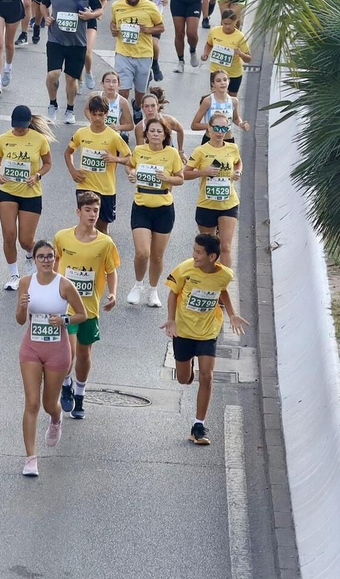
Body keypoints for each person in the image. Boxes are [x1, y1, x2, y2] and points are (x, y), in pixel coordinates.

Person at [164, 234, 248, 445]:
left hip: (208, 332)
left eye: (199, 252)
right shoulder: (185, 269)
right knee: (184, 379)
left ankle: (198, 425)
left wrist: (232, 314)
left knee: (207, 376)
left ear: (212, 257)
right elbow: (173, 293)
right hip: (183, 331)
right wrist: (171, 321)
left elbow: (222, 290)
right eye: (194, 250)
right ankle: (189, 368)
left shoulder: (225, 274)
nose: (194, 255)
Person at [15, 239, 88, 476]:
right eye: (41, 256)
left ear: (55, 259)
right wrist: (21, 306)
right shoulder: (26, 283)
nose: (45, 260)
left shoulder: (64, 285)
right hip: (31, 348)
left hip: (58, 349)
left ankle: (56, 419)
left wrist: (64, 320)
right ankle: (30, 459)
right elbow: (19, 320)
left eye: (49, 256)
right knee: (32, 402)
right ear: (34, 260)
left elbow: (82, 315)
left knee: (48, 404)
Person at [53, 191, 120, 420]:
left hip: (89, 308)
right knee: (68, 353)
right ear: (78, 212)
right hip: (66, 307)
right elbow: (55, 263)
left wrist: (112, 293)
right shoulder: (62, 237)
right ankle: (65, 383)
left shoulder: (105, 243)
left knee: (84, 353)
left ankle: (79, 393)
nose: (92, 215)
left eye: (96, 210)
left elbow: (111, 271)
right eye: (88, 210)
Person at [0, 104, 54, 290]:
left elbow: (48, 163)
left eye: (22, 125)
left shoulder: (39, 139)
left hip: (31, 194)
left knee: (25, 240)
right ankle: (14, 275)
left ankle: (30, 254)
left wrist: (37, 175)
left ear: (28, 123)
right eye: (16, 125)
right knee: (9, 235)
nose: (19, 129)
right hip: (8, 191)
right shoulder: (3, 139)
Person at [125, 118, 185, 307]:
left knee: (157, 256)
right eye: (152, 131)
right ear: (146, 134)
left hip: (164, 209)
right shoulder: (139, 151)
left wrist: (167, 178)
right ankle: (137, 285)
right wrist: (132, 173)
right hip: (141, 206)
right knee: (142, 252)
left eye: (159, 131)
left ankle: (153, 291)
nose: (156, 134)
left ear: (165, 134)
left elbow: (180, 179)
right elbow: (129, 165)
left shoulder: (172, 153)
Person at [44, 0, 104, 123]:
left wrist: (90, 15)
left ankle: (70, 109)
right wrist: (46, 17)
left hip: (77, 42)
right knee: (53, 74)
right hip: (55, 38)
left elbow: (99, 9)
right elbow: (43, 4)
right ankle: (52, 104)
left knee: (71, 79)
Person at [64, 95, 132, 234]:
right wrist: (72, 170)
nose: (97, 119)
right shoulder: (81, 133)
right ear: (89, 113)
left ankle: (102, 254)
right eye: (94, 114)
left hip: (106, 189)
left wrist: (115, 159)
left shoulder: (113, 136)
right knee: (86, 226)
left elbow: (130, 158)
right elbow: (68, 152)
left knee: (101, 229)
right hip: (85, 186)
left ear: (106, 114)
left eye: (101, 115)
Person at [186, 116, 243, 266]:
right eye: (216, 128)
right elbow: (185, 174)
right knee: (208, 249)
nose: (220, 132)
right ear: (209, 128)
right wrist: (203, 171)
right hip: (207, 205)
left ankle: (223, 285)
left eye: (224, 129)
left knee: (225, 247)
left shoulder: (232, 148)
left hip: (228, 204)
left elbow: (238, 162)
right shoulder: (200, 151)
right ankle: (206, 282)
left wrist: (238, 172)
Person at [109, 0, 166, 108]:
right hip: (123, 53)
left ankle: (136, 107)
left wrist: (148, 29)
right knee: (123, 91)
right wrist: (113, 29)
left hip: (144, 55)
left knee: (140, 93)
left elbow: (161, 27)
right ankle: (122, 118)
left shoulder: (150, 7)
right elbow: (113, 23)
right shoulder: (117, 6)